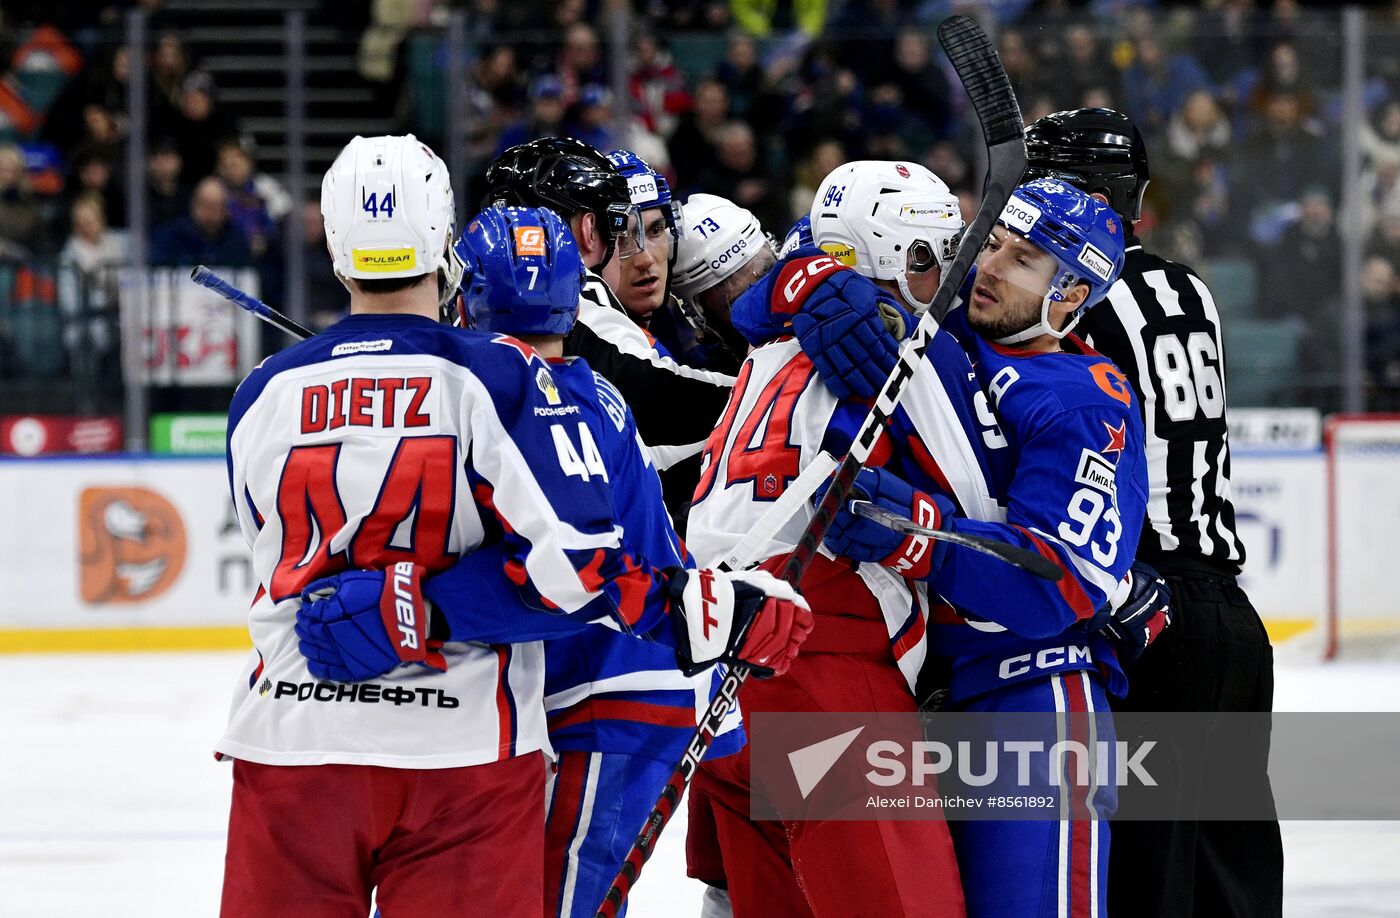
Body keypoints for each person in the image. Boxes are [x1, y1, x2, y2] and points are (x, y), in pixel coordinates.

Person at [218, 135, 808, 917]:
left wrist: (402, 600)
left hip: (288, 732)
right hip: (459, 742)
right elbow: (573, 570)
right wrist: (713, 609)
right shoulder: (503, 378)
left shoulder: (259, 391)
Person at [819, 177, 1151, 918]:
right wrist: (806, 289)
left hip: (1030, 706)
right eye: (993, 242)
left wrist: (916, 535)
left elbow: (1060, 582)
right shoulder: (947, 319)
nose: (990, 266)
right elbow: (797, 260)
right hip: (923, 709)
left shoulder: (1083, 398)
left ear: (1069, 292)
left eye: (1023, 258)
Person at [684, 160, 981, 918]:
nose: (947, 276)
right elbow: (982, 514)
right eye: (933, 254)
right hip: (828, 683)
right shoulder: (900, 348)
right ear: (894, 255)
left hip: (723, 689)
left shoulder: (768, 350)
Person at [1025, 107, 1283, 918]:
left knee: (1144, 885)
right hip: (1231, 626)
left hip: (1148, 615)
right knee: (1232, 888)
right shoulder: (1188, 287)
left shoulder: (1077, 303)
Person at [483, 137, 736, 520]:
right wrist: (785, 385)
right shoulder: (575, 300)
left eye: (654, 231)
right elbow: (661, 405)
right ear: (589, 231)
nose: (643, 257)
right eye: (619, 231)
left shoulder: (480, 289)